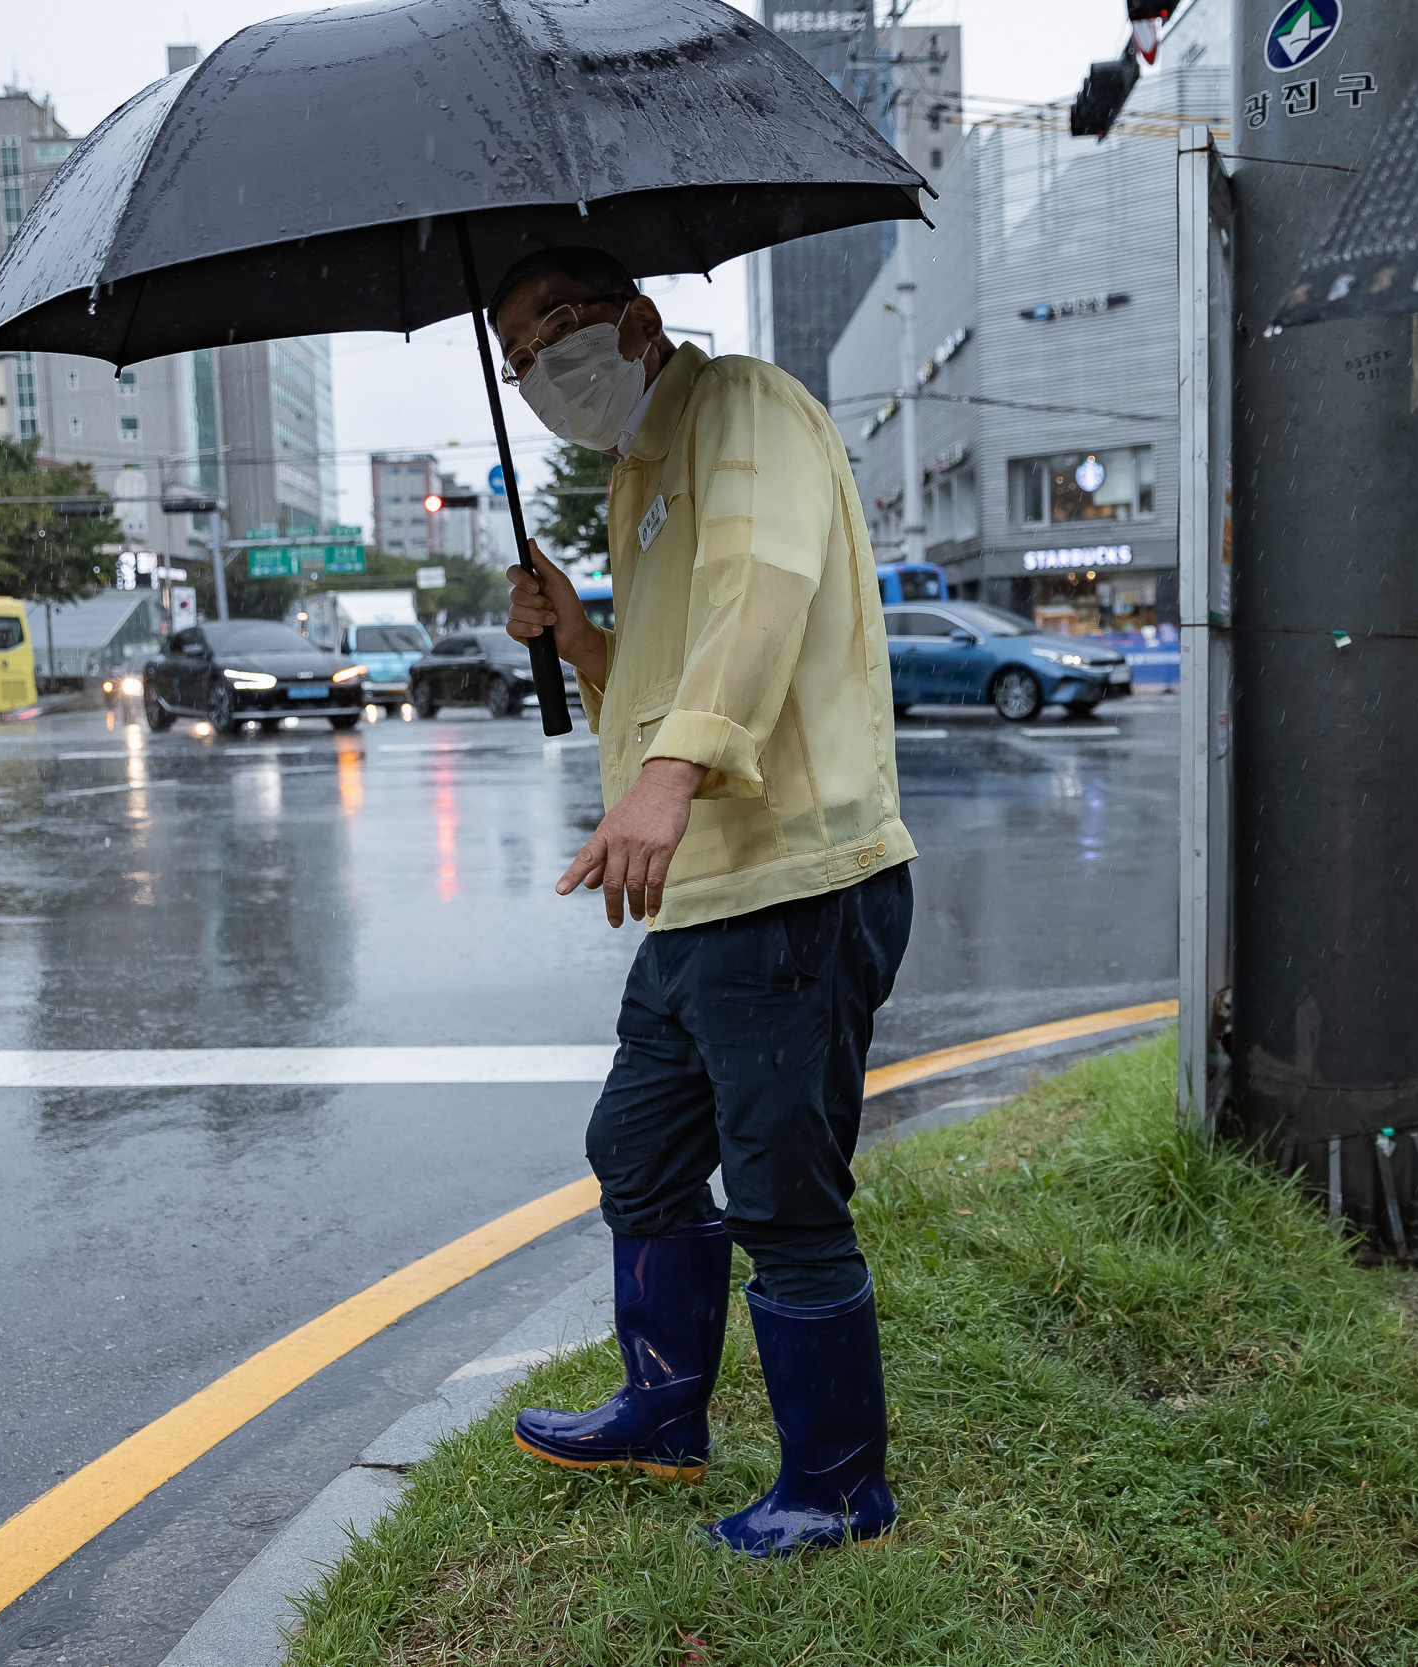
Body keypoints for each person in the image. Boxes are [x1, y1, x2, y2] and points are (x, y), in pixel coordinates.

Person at [492, 245, 915, 1557]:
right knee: (639, 1148)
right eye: (517, 356)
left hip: (790, 877)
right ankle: (665, 1414)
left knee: (786, 1195)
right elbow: (667, 680)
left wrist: (667, 781)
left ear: (637, 316)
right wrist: (581, 637)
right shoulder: (638, 475)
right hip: (698, 896)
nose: (541, 367)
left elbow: (763, 597)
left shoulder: (742, 405)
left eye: (556, 325)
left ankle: (839, 1489)